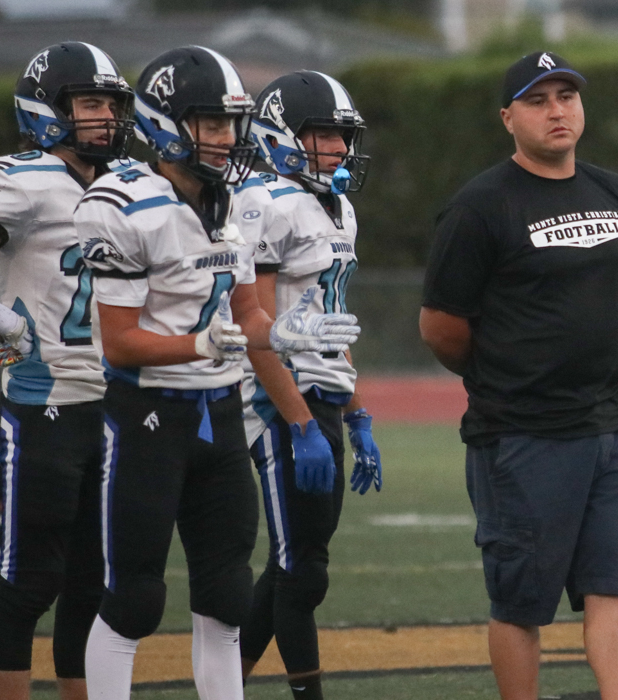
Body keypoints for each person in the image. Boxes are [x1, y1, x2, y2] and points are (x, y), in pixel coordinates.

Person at [73, 46, 360, 700]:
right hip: (146, 413)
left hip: (220, 413)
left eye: (232, 123)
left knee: (228, 595)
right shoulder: (123, 201)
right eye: (211, 123)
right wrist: (202, 344)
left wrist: (286, 330)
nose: (227, 138)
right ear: (164, 123)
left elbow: (245, 313)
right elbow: (119, 344)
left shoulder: (231, 202)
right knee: (135, 597)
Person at [420, 51, 618, 700]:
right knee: (521, 602)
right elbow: (440, 326)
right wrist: (509, 372)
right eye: (539, 100)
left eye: (567, 96)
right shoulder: (480, 206)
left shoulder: (614, 192)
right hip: (524, 434)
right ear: (508, 117)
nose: (557, 110)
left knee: (612, 587)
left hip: (613, 426)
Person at [0, 42, 135, 700]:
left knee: (94, 583)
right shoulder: (16, 178)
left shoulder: (128, 183)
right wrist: (0, 320)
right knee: (31, 580)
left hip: (111, 406)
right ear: (47, 110)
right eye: (90, 103)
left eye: (111, 104)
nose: (105, 117)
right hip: (39, 405)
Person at [238, 71, 381, 700]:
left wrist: (356, 410)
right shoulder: (263, 200)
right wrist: (297, 421)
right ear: (282, 135)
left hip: (320, 395)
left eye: (342, 136)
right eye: (323, 135)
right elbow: (258, 329)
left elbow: (330, 321)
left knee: (300, 567)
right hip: (275, 398)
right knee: (301, 572)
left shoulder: (340, 205)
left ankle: (222, 686)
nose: (339, 149)